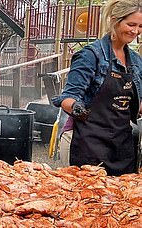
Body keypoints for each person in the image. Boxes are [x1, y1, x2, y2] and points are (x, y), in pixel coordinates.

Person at [52, 0, 142, 176]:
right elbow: (68, 97)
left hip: (120, 146)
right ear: (114, 20)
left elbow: (135, 106)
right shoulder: (90, 55)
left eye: (140, 26)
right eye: (131, 24)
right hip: (86, 141)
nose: (135, 31)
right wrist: (77, 108)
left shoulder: (136, 61)